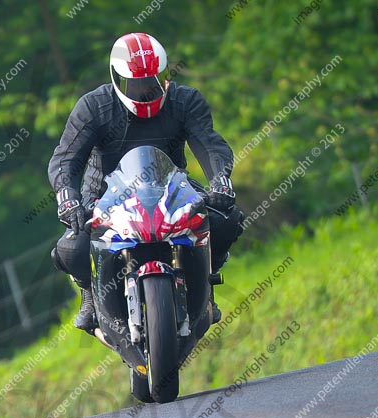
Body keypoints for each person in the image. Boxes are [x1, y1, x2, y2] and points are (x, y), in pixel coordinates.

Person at [48, 32, 244, 333]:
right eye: (135, 82)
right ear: (117, 78)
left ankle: (205, 283)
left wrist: (220, 180)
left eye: (153, 79)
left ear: (165, 73)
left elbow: (210, 145)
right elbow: (66, 159)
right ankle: (90, 295)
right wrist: (68, 197)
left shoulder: (185, 100)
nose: (145, 89)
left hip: (173, 189)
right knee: (72, 248)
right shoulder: (93, 107)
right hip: (103, 197)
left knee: (226, 221)